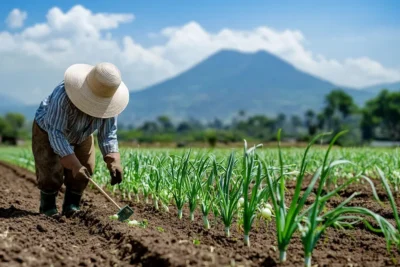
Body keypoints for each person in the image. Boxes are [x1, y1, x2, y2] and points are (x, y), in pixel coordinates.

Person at [32, 62, 129, 217]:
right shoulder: (63, 97)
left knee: (86, 167)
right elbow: (56, 133)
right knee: (49, 168)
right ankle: (47, 207)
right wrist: (72, 163)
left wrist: (113, 159)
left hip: (82, 133)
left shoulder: (109, 102)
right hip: (48, 129)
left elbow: (108, 133)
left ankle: (72, 206)